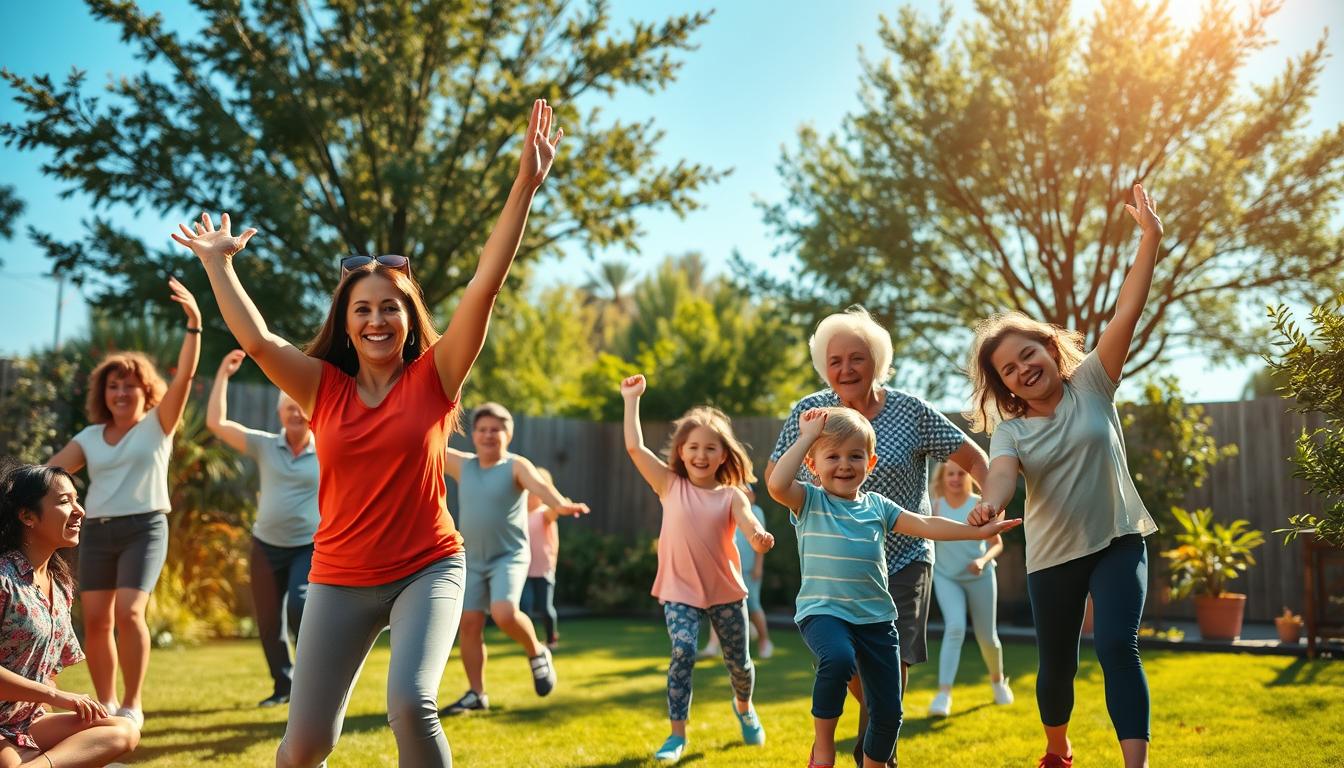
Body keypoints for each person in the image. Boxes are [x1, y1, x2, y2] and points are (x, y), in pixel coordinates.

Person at [172, 97, 563, 768]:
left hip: (428, 568)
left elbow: (485, 284)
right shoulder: (321, 388)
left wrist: (524, 185)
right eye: (363, 310)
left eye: (390, 308)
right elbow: (262, 343)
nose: (377, 319)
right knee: (303, 748)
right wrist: (218, 264)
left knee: (411, 704)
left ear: (409, 318)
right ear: (345, 322)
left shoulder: (436, 378)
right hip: (340, 576)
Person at [965, 184, 1163, 768]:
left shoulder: (1095, 382)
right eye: (1009, 370)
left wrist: (1149, 239)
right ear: (1003, 385)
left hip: (1118, 539)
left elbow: (1128, 306)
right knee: (1056, 664)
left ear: (1051, 350)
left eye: (1030, 355)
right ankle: (1058, 748)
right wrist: (989, 505)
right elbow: (1001, 476)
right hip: (1052, 556)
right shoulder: (1011, 431)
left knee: (1117, 646)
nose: (1023, 369)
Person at [766, 305, 990, 767]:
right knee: (851, 667)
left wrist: (990, 508)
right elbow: (774, 475)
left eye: (857, 358)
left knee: (894, 666)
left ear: (877, 361)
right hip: (837, 566)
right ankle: (870, 745)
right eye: (835, 361)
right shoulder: (809, 412)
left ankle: (876, 758)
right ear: (823, 367)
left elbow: (976, 461)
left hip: (906, 552)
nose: (845, 369)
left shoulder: (910, 411)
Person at [46, 277, 202, 728]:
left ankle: (133, 704)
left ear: (144, 391)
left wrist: (193, 324)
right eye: (114, 386)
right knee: (95, 619)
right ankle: (108, 703)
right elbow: (49, 474)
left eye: (129, 386)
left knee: (129, 612)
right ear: (104, 392)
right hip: (96, 531)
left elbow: (187, 376)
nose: (121, 393)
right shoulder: (90, 437)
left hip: (145, 527)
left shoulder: (159, 425)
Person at [621, 374, 774, 764]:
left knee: (738, 663)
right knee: (683, 651)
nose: (701, 455)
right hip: (679, 590)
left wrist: (758, 536)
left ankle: (744, 707)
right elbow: (635, 447)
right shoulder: (669, 485)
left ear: (724, 455)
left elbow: (749, 522)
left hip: (726, 591)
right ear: (682, 452)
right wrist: (631, 399)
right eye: (694, 447)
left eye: (711, 448)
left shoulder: (731, 494)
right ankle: (676, 736)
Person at [439, 403, 589, 715]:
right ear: (474, 434)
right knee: (469, 623)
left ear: (509, 433)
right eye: (482, 429)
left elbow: (541, 487)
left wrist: (561, 505)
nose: (488, 435)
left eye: (496, 429)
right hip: (473, 559)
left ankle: (537, 652)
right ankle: (476, 694)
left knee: (504, 612)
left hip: (509, 556)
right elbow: (425, 446)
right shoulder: (461, 464)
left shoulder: (516, 466)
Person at [0, 462, 140, 768]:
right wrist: (58, 700)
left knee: (123, 731)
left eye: (77, 500)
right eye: (65, 502)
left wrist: (53, 708)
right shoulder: (3, 579)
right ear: (27, 516)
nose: (79, 511)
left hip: (27, 726)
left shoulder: (61, 584)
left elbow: (48, 670)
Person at [205, 349, 320, 708]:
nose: (296, 413)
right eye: (289, 408)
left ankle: (313, 682)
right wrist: (223, 373)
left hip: (308, 545)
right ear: (280, 414)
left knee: (301, 607)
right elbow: (216, 424)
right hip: (266, 545)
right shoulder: (265, 445)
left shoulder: (329, 447)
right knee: (269, 621)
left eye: (302, 407)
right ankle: (283, 687)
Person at [926, 461, 1011, 717]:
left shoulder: (979, 504)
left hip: (981, 577)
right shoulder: (935, 506)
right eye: (949, 473)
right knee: (954, 628)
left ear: (967, 477)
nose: (954, 478)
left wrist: (983, 561)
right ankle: (943, 694)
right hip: (945, 577)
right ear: (942, 478)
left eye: (960, 473)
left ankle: (998, 682)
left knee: (987, 637)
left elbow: (997, 543)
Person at [699, 484, 773, 660]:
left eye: (746, 491)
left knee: (754, 606)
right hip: (729, 568)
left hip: (748, 570)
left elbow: (761, 542)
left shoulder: (756, 512)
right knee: (717, 605)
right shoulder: (730, 510)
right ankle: (713, 645)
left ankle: (765, 641)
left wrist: (758, 567)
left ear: (753, 495)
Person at [520, 466, 563, 649]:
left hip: (543, 569)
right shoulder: (519, 514)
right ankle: (531, 642)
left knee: (545, 609)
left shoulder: (545, 512)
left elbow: (557, 510)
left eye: (534, 493)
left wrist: (550, 492)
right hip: (524, 569)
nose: (530, 497)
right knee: (525, 607)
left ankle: (551, 638)